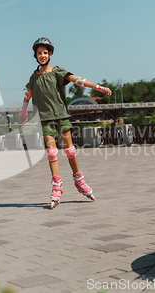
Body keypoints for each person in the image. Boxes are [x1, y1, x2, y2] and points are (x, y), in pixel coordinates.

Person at [19, 37, 112, 209]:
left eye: (45, 52)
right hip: (45, 117)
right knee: (52, 153)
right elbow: (28, 94)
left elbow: (79, 80)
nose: (42, 55)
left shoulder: (58, 72)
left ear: (51, 54)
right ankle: (57, 186)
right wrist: (23, 111)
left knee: (70, 151)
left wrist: (98, 87)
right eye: (39, 53)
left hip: (61, 114)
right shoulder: (34, 77)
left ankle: (79, 180)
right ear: (35, 55)